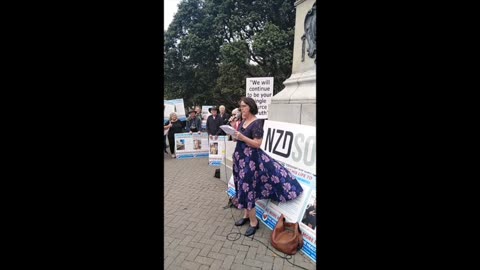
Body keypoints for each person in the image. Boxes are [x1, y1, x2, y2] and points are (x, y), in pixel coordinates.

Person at [232, 97, 304, 236]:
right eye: (241, 106)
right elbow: (241, 137)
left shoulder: (257, 123)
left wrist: (242, 138)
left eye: (244, 106)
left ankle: (254, 222)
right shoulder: (243, 121)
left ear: (251, 107)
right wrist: (236, 136)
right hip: (240, 160)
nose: (242, 109)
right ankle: (246, 216)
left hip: (250, 162)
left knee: (248, 190)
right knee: (241, 187)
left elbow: (257, 144)